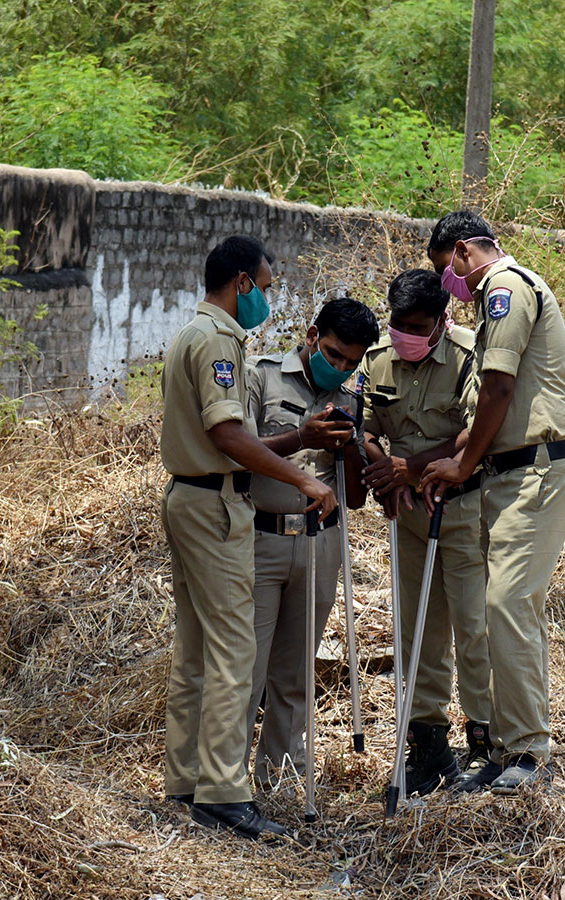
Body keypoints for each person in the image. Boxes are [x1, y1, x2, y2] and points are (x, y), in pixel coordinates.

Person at [160, 235, 337, 840]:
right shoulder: (220, 342)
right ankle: (224, 792)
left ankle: (185, 778)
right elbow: (231, 436)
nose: (267, 296)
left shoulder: (192, 333)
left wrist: (294, 449)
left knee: (194, 654)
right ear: (240, 283)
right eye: (264, 284)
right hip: (216, 506)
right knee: (235, 654)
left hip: (189, 497)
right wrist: (305, 482)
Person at [419, 211, 565, 795]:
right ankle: (510, 748)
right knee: (510, 609)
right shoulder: (503, 293)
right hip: (510, 473)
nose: (450, 288)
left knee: (507, 603)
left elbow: (499, 388)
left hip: (534, 470)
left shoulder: (506, 288)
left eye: (447, 272)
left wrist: (463, 465)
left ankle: (526, 752)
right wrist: (450, 463)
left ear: (463, 251)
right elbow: (482, 414)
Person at [357, 268, 493, 796]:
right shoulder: (377, 359)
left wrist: (409, 466)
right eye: (397, 323)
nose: (404, 333)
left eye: (416, 325)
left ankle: (487, 744)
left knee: (474, 628)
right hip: (407, 517)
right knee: (418, 633)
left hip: (459, 513)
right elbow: (362, 426)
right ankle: (429, 748)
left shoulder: (465, 358)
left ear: (440, 322)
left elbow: (473, 431)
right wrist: (386, 474)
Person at [244, 297, 379, 786]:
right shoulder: (260, 377)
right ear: (311, 334)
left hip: (321, 543)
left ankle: (279, 777)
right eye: (332, 352)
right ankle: (226, 781)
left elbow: (357, 497)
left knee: (296, 672)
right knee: (247, 669)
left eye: (351, 361)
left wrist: (349, 449)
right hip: (262, 538)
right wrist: (302, 437)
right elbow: (240, 452)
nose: (339, 366)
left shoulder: (349, 399)